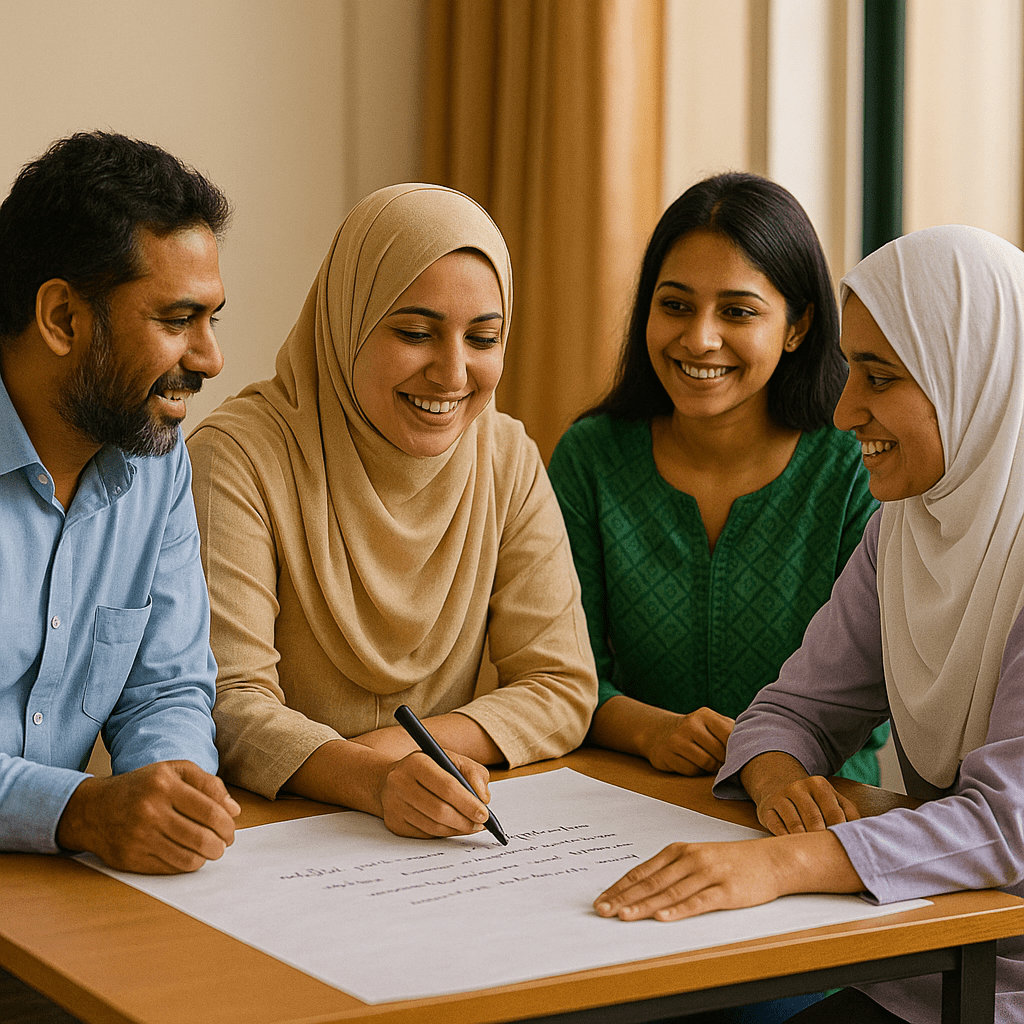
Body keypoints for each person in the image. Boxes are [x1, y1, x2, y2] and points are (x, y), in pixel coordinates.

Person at [593, 224, 1024, 1023]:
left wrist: (785, 861)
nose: (843, 409)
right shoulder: (902, 534)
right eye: (849, 370)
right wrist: (783, 780)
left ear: (975, 379)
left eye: (880, 377)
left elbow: (1010, 827)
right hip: (928, 956)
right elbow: (789, 711)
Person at [187, 183, 598, 840]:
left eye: (484, 337)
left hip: (435, 825)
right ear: (347, 318)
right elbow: (226, 702)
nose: (454, 372)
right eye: (414, 332)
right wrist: (372, 779)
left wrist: (407, 757)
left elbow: (562, 686)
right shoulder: (237, 457)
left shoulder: (504, 454)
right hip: (278, 834)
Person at [548, 172, 885, 785]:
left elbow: (875, 701)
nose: (699, 339)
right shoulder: (590, 458)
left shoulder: (853, 467)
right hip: (623, 797)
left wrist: (769, 754)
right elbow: (559, 672)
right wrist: (651, 729)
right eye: (675, 304)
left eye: (737, 311)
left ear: (798, 327)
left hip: (807, 801)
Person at [0, 131, 239, 874]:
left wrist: (176, 793)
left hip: (64, 892)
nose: (209, 359)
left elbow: (168, 688)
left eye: (212, 319)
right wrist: (76, 809)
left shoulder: (155, 457)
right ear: (62, 319)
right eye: (177, 321)